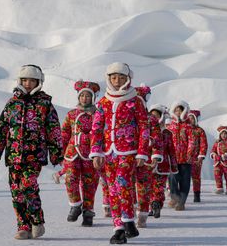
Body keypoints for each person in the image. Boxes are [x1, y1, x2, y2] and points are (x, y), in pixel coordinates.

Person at [0, 64, 63, 240]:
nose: (28, 83)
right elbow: (2, 128)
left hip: (34, 155)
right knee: (16, 192)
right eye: (24, 80)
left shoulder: (45, 104)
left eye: (32, 80)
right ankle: (23, 226)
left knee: (28, 185)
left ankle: (37, 220)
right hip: (14, 155)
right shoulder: (12, 103)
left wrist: (56, 153)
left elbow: (53, 129)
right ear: (19, 81)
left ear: (39, 81)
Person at [89, 63, 149, 244]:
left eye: (122, 78)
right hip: (109, 153)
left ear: (128, 79)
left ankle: (129, 220)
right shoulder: (104, 102)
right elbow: (97, 128)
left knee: (122, 185)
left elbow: (144, 127)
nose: (117, 81)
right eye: (114, 77)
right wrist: (96, 152)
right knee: (112, 190)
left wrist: (142, 153)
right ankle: (119, 229)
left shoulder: (135, 101)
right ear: (109, 78)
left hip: (128, 152)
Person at [60, 80, 101, 226]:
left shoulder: (98, 114)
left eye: (88, 96)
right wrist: (60, 153)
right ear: (78, 97)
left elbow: (103, 133)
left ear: (93, 98)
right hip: (72, 152)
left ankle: (88, 212)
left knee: (89, 184)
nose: (85, 98)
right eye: (82, 95)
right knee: (70, 178)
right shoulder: (71, 114)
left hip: (91, 154)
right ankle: (75, 204)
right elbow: (64, 134)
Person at [133, 85, 163, 228]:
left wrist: (155, 155)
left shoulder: (151, 119)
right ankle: (129, 214)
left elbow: (157, 138)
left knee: (144, 188)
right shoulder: (125, 116)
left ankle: (143, 213)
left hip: (146, 158)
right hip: (126, 158)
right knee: (126, 187)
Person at [147, 104, 177, 219]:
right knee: (148, 187)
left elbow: (171, 150)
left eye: (157, 115)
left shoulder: (166, 133)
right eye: (152, 115)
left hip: (162, 165)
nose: (154, 118)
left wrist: (173, 166)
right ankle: (151, 206)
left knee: (159, 187)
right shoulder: (145, 131)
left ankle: (157, 204)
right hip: (147, 164)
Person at [166, 100, 195, 210]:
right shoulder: (170, 127)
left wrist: (189, 153)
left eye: (180, 110)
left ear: (184, 112)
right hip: (173, 159)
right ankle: (175, 196)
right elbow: (166, 142)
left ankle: (181, 202)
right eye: (176, 110)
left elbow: (192, 141)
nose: (178, 112)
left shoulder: (188, 126)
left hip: (186, 159)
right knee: (172, 178)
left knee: (185, 180)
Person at [188, 109, 208, 202]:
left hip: (196, 158)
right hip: (184, 158)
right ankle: (182, 194)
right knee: (184, 177)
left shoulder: (200, 131)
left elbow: (203, 144)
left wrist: (201, 155)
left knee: (196, 177)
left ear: (196, 119)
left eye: (192, 118)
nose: (190, 120)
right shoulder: (185, 129)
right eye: (189, 118)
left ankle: (197, 194)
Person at [210, 125, 227, 195]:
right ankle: (219, 188)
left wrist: (225, 155)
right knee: (217, 174)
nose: (224, 135)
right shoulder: (217, 142)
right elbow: (213, 150)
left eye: (225, 134)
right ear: (220, 134)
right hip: (218, 162)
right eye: (222, 134)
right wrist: (214, 155)